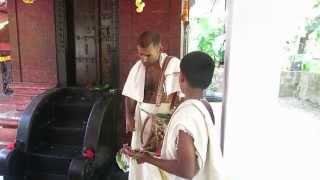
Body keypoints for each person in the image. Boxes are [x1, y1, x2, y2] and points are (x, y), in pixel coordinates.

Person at [124, 51, 228, 180]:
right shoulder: (205, 107)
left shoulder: (186, 116)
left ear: (181, 78)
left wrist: (149, 159)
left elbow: (187, 170)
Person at [121, 31, 181, 180]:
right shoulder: (138, 67)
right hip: (141, 121)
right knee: (140, 163)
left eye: (148, 55)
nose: (144, 59)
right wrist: (128, 117)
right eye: (140, 54)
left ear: (160, 48)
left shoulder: (173, 65)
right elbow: (129, 94)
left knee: (159, 165)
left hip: (163, 122)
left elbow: (180, 96)